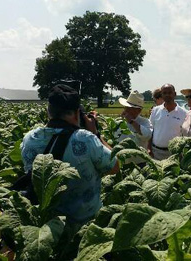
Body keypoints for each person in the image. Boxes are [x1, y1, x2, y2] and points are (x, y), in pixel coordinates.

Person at [21, 85, 119, 226]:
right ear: (76, 114)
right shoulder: (86, 138)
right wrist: (96, 134)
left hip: (47, 225)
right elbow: (115, 167)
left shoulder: (30, 138)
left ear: (49, 112)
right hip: (84, 225)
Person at [148, 84, 187, 159]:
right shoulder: (155, 111)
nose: (167, 95)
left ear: (174, 94)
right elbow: (151, 131)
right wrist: (149, 148)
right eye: (164, 93)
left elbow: (184, 135)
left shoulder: (184, 113)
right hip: (156, 153)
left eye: (170, 93)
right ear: (161, 95)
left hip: (174, 154)